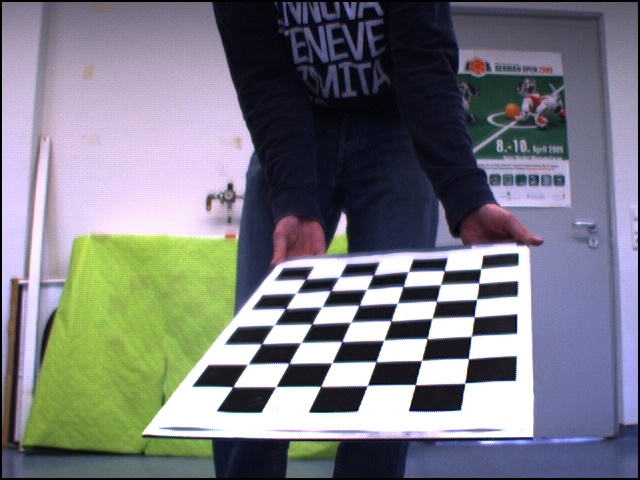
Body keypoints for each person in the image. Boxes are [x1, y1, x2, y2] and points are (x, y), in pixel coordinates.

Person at [211, 3, 543, 478]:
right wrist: (293, 198)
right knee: (261, 336)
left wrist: (465, 194)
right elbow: (263, 74)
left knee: (396, 342)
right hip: (294, 125)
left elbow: (424, 60)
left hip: (395, 126)